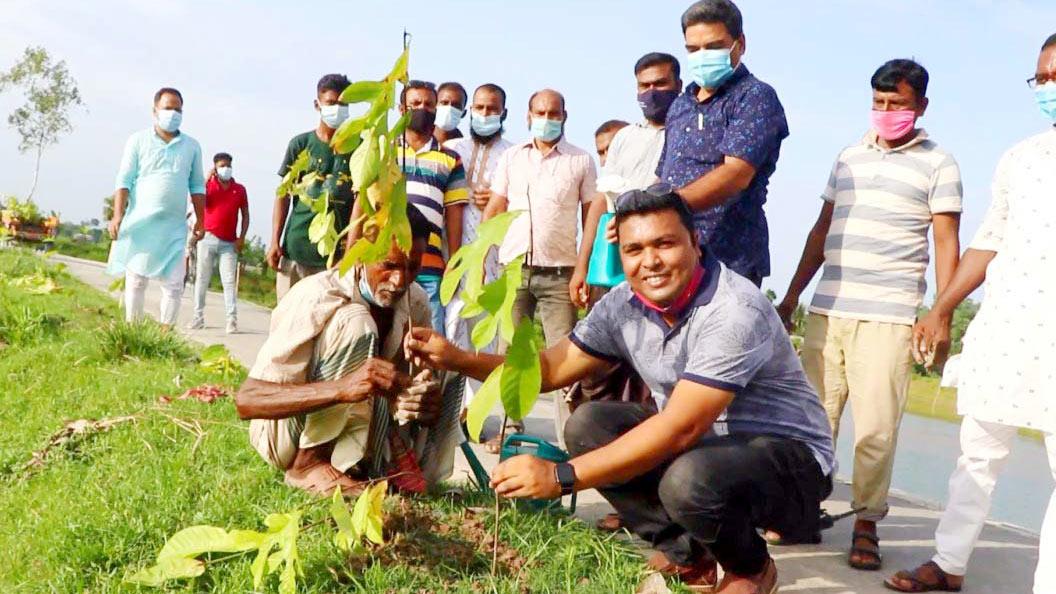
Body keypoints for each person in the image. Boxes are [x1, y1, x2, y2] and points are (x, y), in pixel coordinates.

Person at [407, 186, 835, 594]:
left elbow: (681, 428)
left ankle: (750, 566)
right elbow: (552, 369)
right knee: (588, 425)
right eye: (634, 250)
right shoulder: (622, 305)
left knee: (689, 480)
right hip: (707, 447)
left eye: (664, 244)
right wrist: (458, 359)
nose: (650, 261)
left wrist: (560, 477)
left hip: (789, 463)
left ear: (695, 242)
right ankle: (690, 554)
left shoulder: (733, 310)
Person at [885, 33, 1056, 594]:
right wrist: (942, 307)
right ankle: (948, 562)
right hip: (1009, 325)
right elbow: (990, 238)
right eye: (1042, 79)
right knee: (977, 453)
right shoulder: (1022, 157)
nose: (1048, 88)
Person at [776, 59, 962, 569]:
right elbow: (821, 230)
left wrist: (942, 313)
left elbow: (947, 242)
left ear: (920, 106)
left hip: (890, 315)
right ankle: (801, 509)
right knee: (812, 422)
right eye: (878, 102)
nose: (885, 112)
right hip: (829, 308)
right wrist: (793, 295)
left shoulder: (939, 163)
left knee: (877, 428)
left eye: (897, 104)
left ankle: (865, 523)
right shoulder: (848, 156)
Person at [238, 208, 451, 496]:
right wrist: (341, 388)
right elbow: (247, 400)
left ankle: (407, 475)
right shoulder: (317, 296)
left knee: (447, 360)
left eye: (412, 268)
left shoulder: (416, 302)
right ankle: (309, 465)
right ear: (362, 254)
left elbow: (399, 394)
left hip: (365, 433)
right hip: (289, 435)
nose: (400, 281)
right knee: (355, 322)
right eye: (389, 265)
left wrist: (422, 402)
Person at [482, 88, 598, 451]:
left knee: (567, 356)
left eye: (554, 113)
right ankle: (509, 429)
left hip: (561, 271)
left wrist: (585, 268)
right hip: (514, 268)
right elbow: (496, 207)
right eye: (540, 113)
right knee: (510, 352)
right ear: (527, 117)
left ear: (564, 116)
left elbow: (590, 215)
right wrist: (485, 256)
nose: (547, 119)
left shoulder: (580, 160)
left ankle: (571, 438)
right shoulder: (512, 158)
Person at [657, 0, 788, 286]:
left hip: (730, 261)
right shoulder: (680, 105)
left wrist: (664, 208)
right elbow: (663, 176)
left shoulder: (754, 97)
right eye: (693, 49)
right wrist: (637, 213)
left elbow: (736, 174)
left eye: (714, 46)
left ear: (739, 44)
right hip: (675, 258)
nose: (702, 56)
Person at [572, 51, 683, 309]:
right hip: (615, 260)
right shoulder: (624, 137)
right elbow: (601, 201)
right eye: (645, 86)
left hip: (659, 264)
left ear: (678, 85)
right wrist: (582, 266)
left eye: (660, 84)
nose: (652, 92)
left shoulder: (685, 135)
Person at [107, 87, 205, 329]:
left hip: (173, 227)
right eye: (168, 108)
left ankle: (164, 336)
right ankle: (132, 331)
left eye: (178, 109)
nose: (173, 113)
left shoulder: (191, 147)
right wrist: (117, 215)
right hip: (141, 223)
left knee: (173, 285)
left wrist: (201, 221)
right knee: (136, 281)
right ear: (155, 111)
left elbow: (197, 186)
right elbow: (124, 180)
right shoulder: (137, 141)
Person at [442, 83, 513, 408]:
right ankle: (448, 409)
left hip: (492, 261)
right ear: (470, 111)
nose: (485, 114)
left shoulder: (513, 155)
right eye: (480, 108)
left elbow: (522, 205)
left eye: (492, 109)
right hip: (451, 254)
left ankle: (475, 414)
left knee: (482, 338)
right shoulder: (452, 149)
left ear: (504, 114)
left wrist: (501, 201)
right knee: (451, 330)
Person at [269, 74, 354, 301]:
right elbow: (283, 194)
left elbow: (361, 204)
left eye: (344, 104)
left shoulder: (359, 149)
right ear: (318, 105)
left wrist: (351, 251)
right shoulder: (301, 144)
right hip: (296, 249)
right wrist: (274, 241)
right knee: (286, 321)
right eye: (332, 103)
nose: (338, 109)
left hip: (334, 259)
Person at [188, 152, 249, 334]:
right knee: (202, 279)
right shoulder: (208, 186)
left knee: (229, 281)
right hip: (207, 238)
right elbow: (195, 200)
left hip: (229, 242)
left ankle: (232, 320)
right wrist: (206, 180)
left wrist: (242, 237)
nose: (226, 169)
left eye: (228, 165)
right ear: (215, 167)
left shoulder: (239, 189)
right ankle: (198, 317)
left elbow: (245, 214)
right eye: (222, 165)